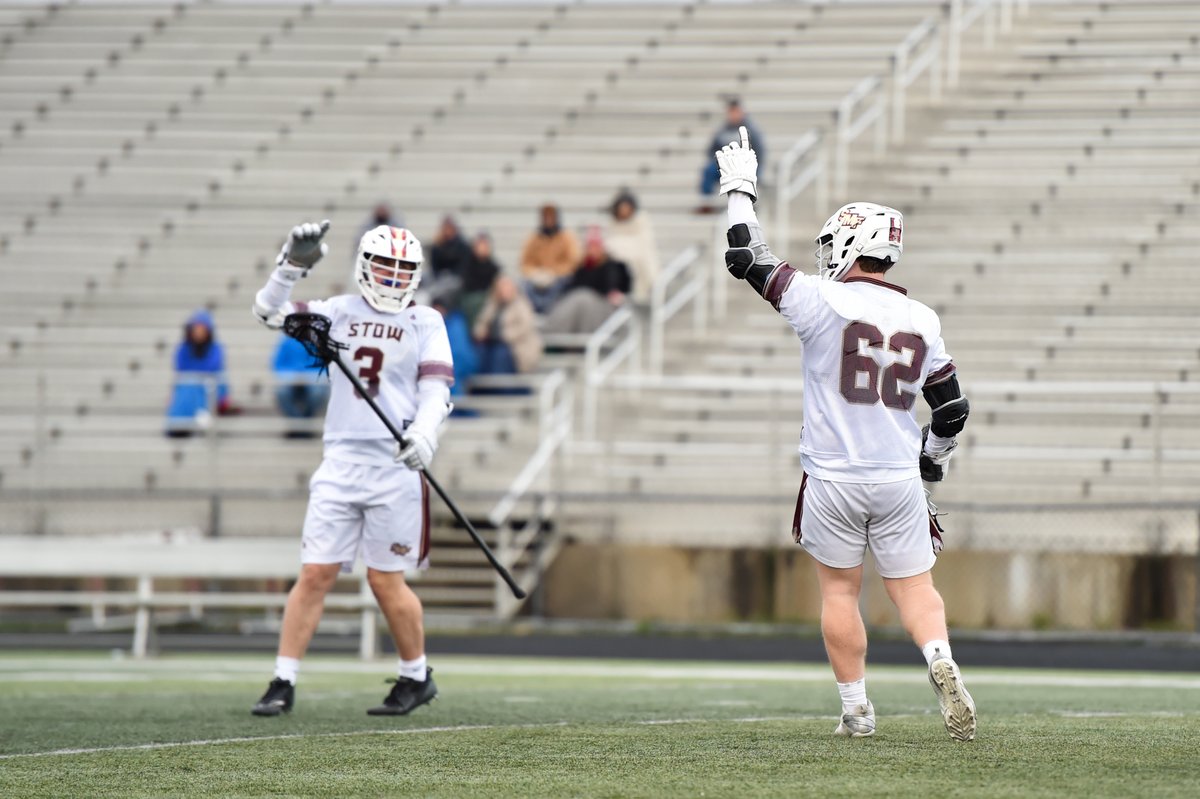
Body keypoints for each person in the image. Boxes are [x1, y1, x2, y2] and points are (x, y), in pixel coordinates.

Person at [716, 128, 976, 742]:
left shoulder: (822, 300)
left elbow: (745, 256)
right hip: (896, 474)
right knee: (915, 588)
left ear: (852, 244)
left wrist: (740, 189)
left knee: (839, 590)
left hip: (833, 474)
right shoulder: (922, 318)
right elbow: (952, 408)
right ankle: (938, 656)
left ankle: (856, 711)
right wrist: (931, 464)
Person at [249, 220, 453, 718]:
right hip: (341, 460)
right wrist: (290, 266)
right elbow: (268, 312)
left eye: (402, 269)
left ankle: (415, 675)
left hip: (394, 463)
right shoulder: (338, 311)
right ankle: (283, 679)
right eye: (384, 266)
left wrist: (425, 434)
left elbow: (437, 391)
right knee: (315, 573)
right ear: (364, 265)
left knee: (386, 581)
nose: (391, 277)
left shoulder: (425, 319)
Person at [541, 227, 631, 336]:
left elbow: (611, 290)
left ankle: (551, 331)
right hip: (584, 310)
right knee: (576, 299)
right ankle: (552, 331)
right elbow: (571, 290)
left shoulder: (612, 267)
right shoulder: (582, 268)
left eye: (595, 246)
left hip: (602, 310)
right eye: (590, 246)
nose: (592, 250)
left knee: (583, 298)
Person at [165, 309, 231, 436]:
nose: (199, 333)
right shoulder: (183, 349)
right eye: (196, 329)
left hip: (208, 386)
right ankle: (182, 422)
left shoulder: (215, 349)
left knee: (200, 385)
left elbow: (214, 369)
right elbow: (181, 371)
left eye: (202, 329)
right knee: (187, 386)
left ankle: (196, 419)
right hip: (189, 387)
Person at [473, 274, 542, 376]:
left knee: (500, 354)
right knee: (479, 352)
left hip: (516, 349)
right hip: (491, 345)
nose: (504, 291)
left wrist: (502, 335)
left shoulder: (521, 305)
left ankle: (497, 387)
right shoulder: (492, 306)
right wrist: (483, 333)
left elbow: (524, 328)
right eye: (501, 288)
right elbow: (480, 326)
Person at [699, 99, 767, 202]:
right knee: (709, 170)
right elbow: (711, 150)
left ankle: (749, 201)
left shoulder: (752, 130)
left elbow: (760, 153)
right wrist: (720, 163)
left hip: (745, 167)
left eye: (736, 112)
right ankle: (706, 203)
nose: (733, 115)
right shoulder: (722, 130)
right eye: (731, 112)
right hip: (727, 167)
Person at [519, 203, 580, 314]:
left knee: (561, 287)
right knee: (524, 286)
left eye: (551, 216)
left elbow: (573, 261)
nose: (548, 220)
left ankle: (551, 312)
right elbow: (525, 262)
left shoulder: (566, 237)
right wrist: (536, 273)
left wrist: (554, 273)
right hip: (538, 279)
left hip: (559, 278)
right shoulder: (534, 238)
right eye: (546, 217)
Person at [604, 188, 660, 307]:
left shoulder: (641, 223)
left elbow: (645, 250)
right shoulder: (612, 225)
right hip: (619, 270)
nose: (624, 211)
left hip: (636, 268)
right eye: (621, 208)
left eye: (626, 208)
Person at [271, 333, 330, 434]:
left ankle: (301, 424)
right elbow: (278, 364)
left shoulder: (320, 339)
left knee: (318, 394)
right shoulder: (286, 339)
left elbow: (325, 365)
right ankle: (301, 425)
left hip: (313, 378)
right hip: (291, 378)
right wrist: (293, 375)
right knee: (282, 393)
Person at [428, 215, 475, 283]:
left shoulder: (462, 246)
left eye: (449, 228)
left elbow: (463, 268)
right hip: (439, 277)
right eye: (446, 228)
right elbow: (434, 267)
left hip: (456, 279)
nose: (447, 231)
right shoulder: (437, 246)